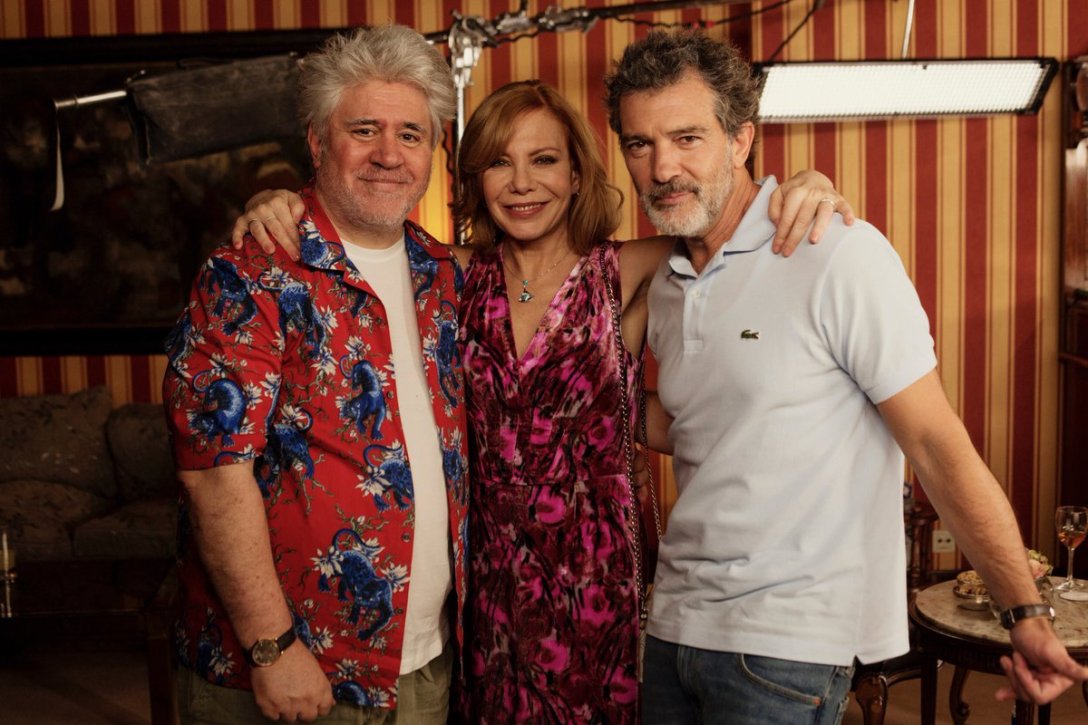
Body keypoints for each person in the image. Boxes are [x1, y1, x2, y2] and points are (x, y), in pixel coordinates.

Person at [237, 80, 851, 721]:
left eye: (545, 159)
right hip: (487, 586)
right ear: (477, 179)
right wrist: (272, 202)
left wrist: (804, 187)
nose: (522, 183)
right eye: (500, 162)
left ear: (577, 173)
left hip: (598, 587)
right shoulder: (448, 273)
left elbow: (730, 220)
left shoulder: (633, 268)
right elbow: (347, 234)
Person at [599, 29, 1088, 724]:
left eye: (687, 138)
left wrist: (1024, 610)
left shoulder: (836, 252)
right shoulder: (668, 283)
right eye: (639, 144)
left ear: (740, 140)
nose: (662, 167)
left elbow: (935, 443)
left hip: (784, 645)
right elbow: (701, 425)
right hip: (674, 626)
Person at [162, 25, 469, 723]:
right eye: (364, 130)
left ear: (432, 150)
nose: (388, 154)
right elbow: (213, 474)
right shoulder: (250, 272)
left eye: (411, 134)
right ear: (317, 141)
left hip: (424, 663)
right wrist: (272, 647)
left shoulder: (445, 275)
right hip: (293, 671)